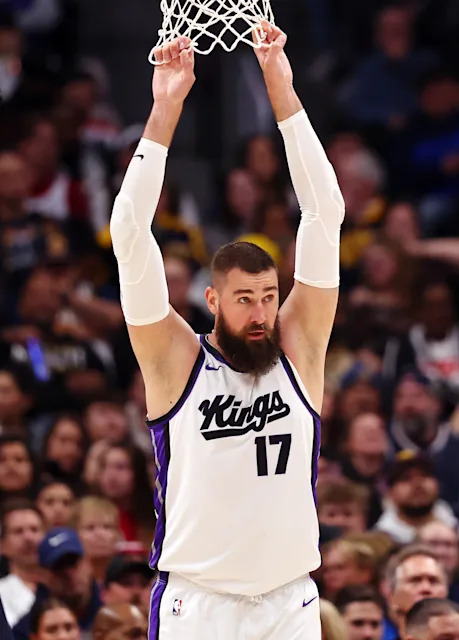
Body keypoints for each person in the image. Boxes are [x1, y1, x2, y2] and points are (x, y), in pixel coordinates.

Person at [108, 21, 343, 639]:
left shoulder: (298, 345)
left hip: (290, 601)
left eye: (269, 296)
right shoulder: (175, 360)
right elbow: (130, 236)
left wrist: (281, 88)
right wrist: (165, 109)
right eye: (245, 300)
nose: (262, 312)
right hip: (198, 604)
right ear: (212, 299)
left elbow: (325, 213)